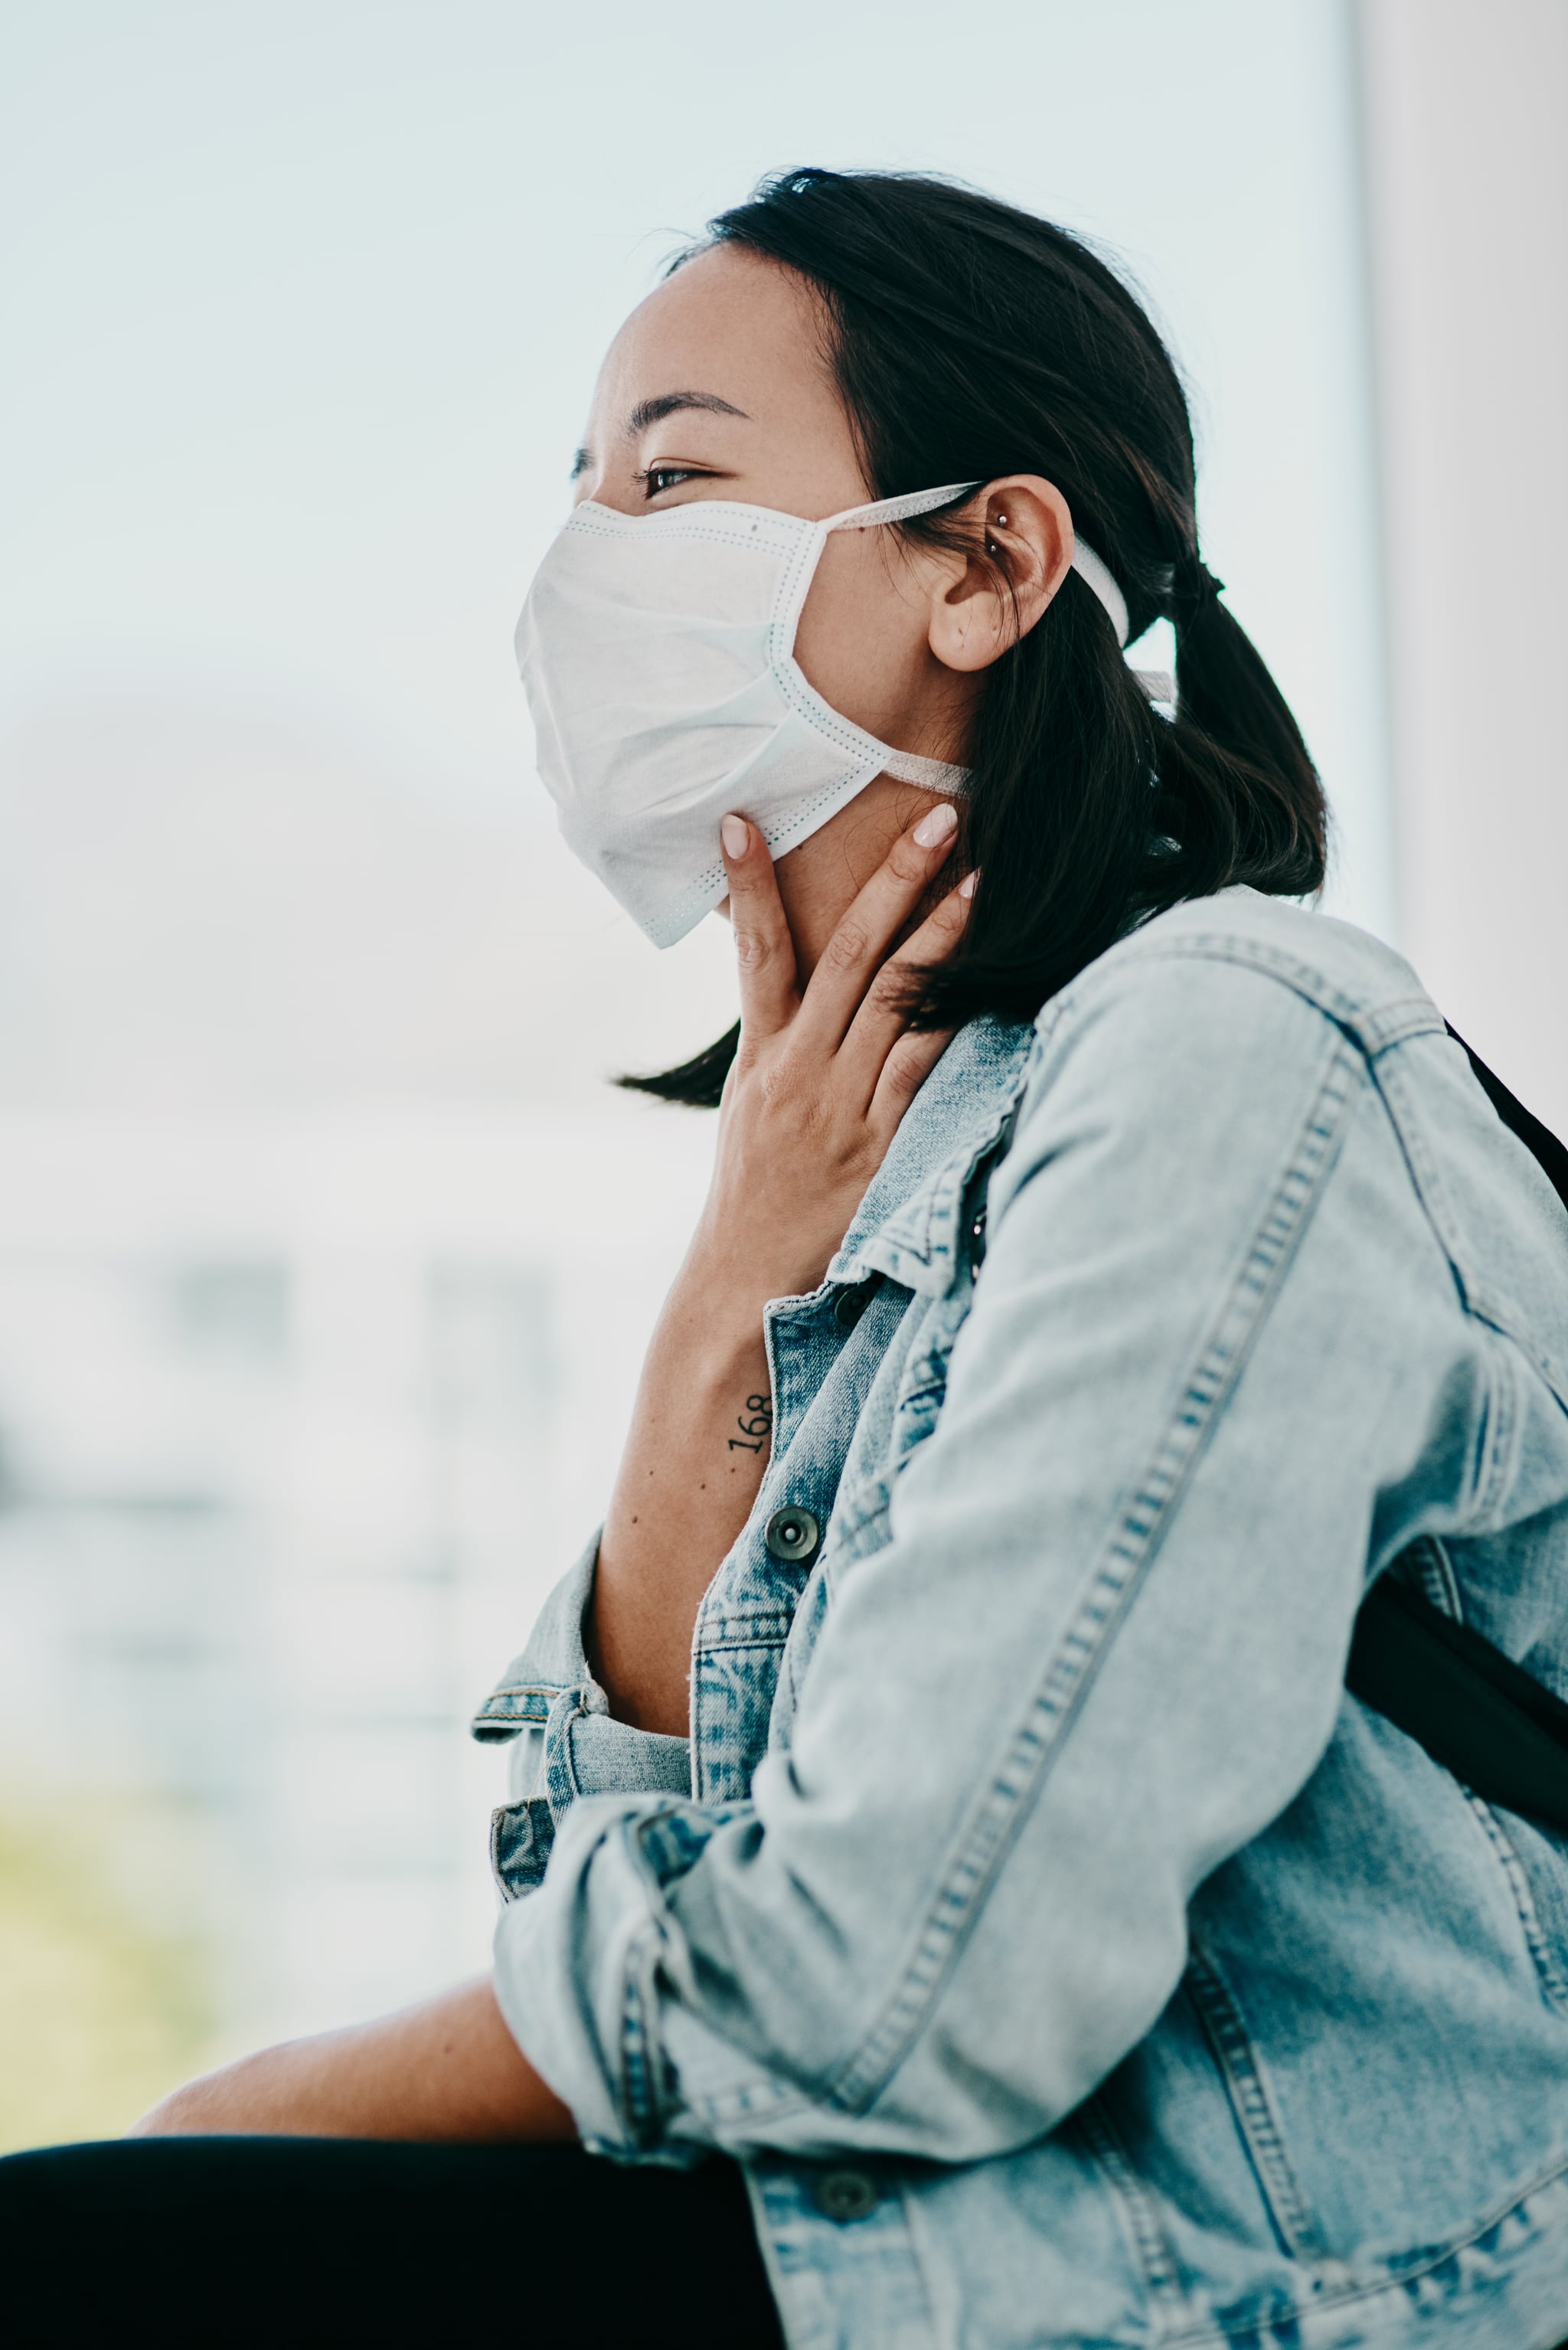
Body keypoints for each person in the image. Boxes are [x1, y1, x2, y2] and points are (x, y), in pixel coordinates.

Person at [4, 165, 1567, 2350]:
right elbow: (636, 1949)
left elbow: (879, 1991)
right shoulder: (870, 1175)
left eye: (676, 479)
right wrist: (719, 1307)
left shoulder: (1229, 1048)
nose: (586, 564)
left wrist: (245, 2107)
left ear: (988, 566)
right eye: (578, 491)